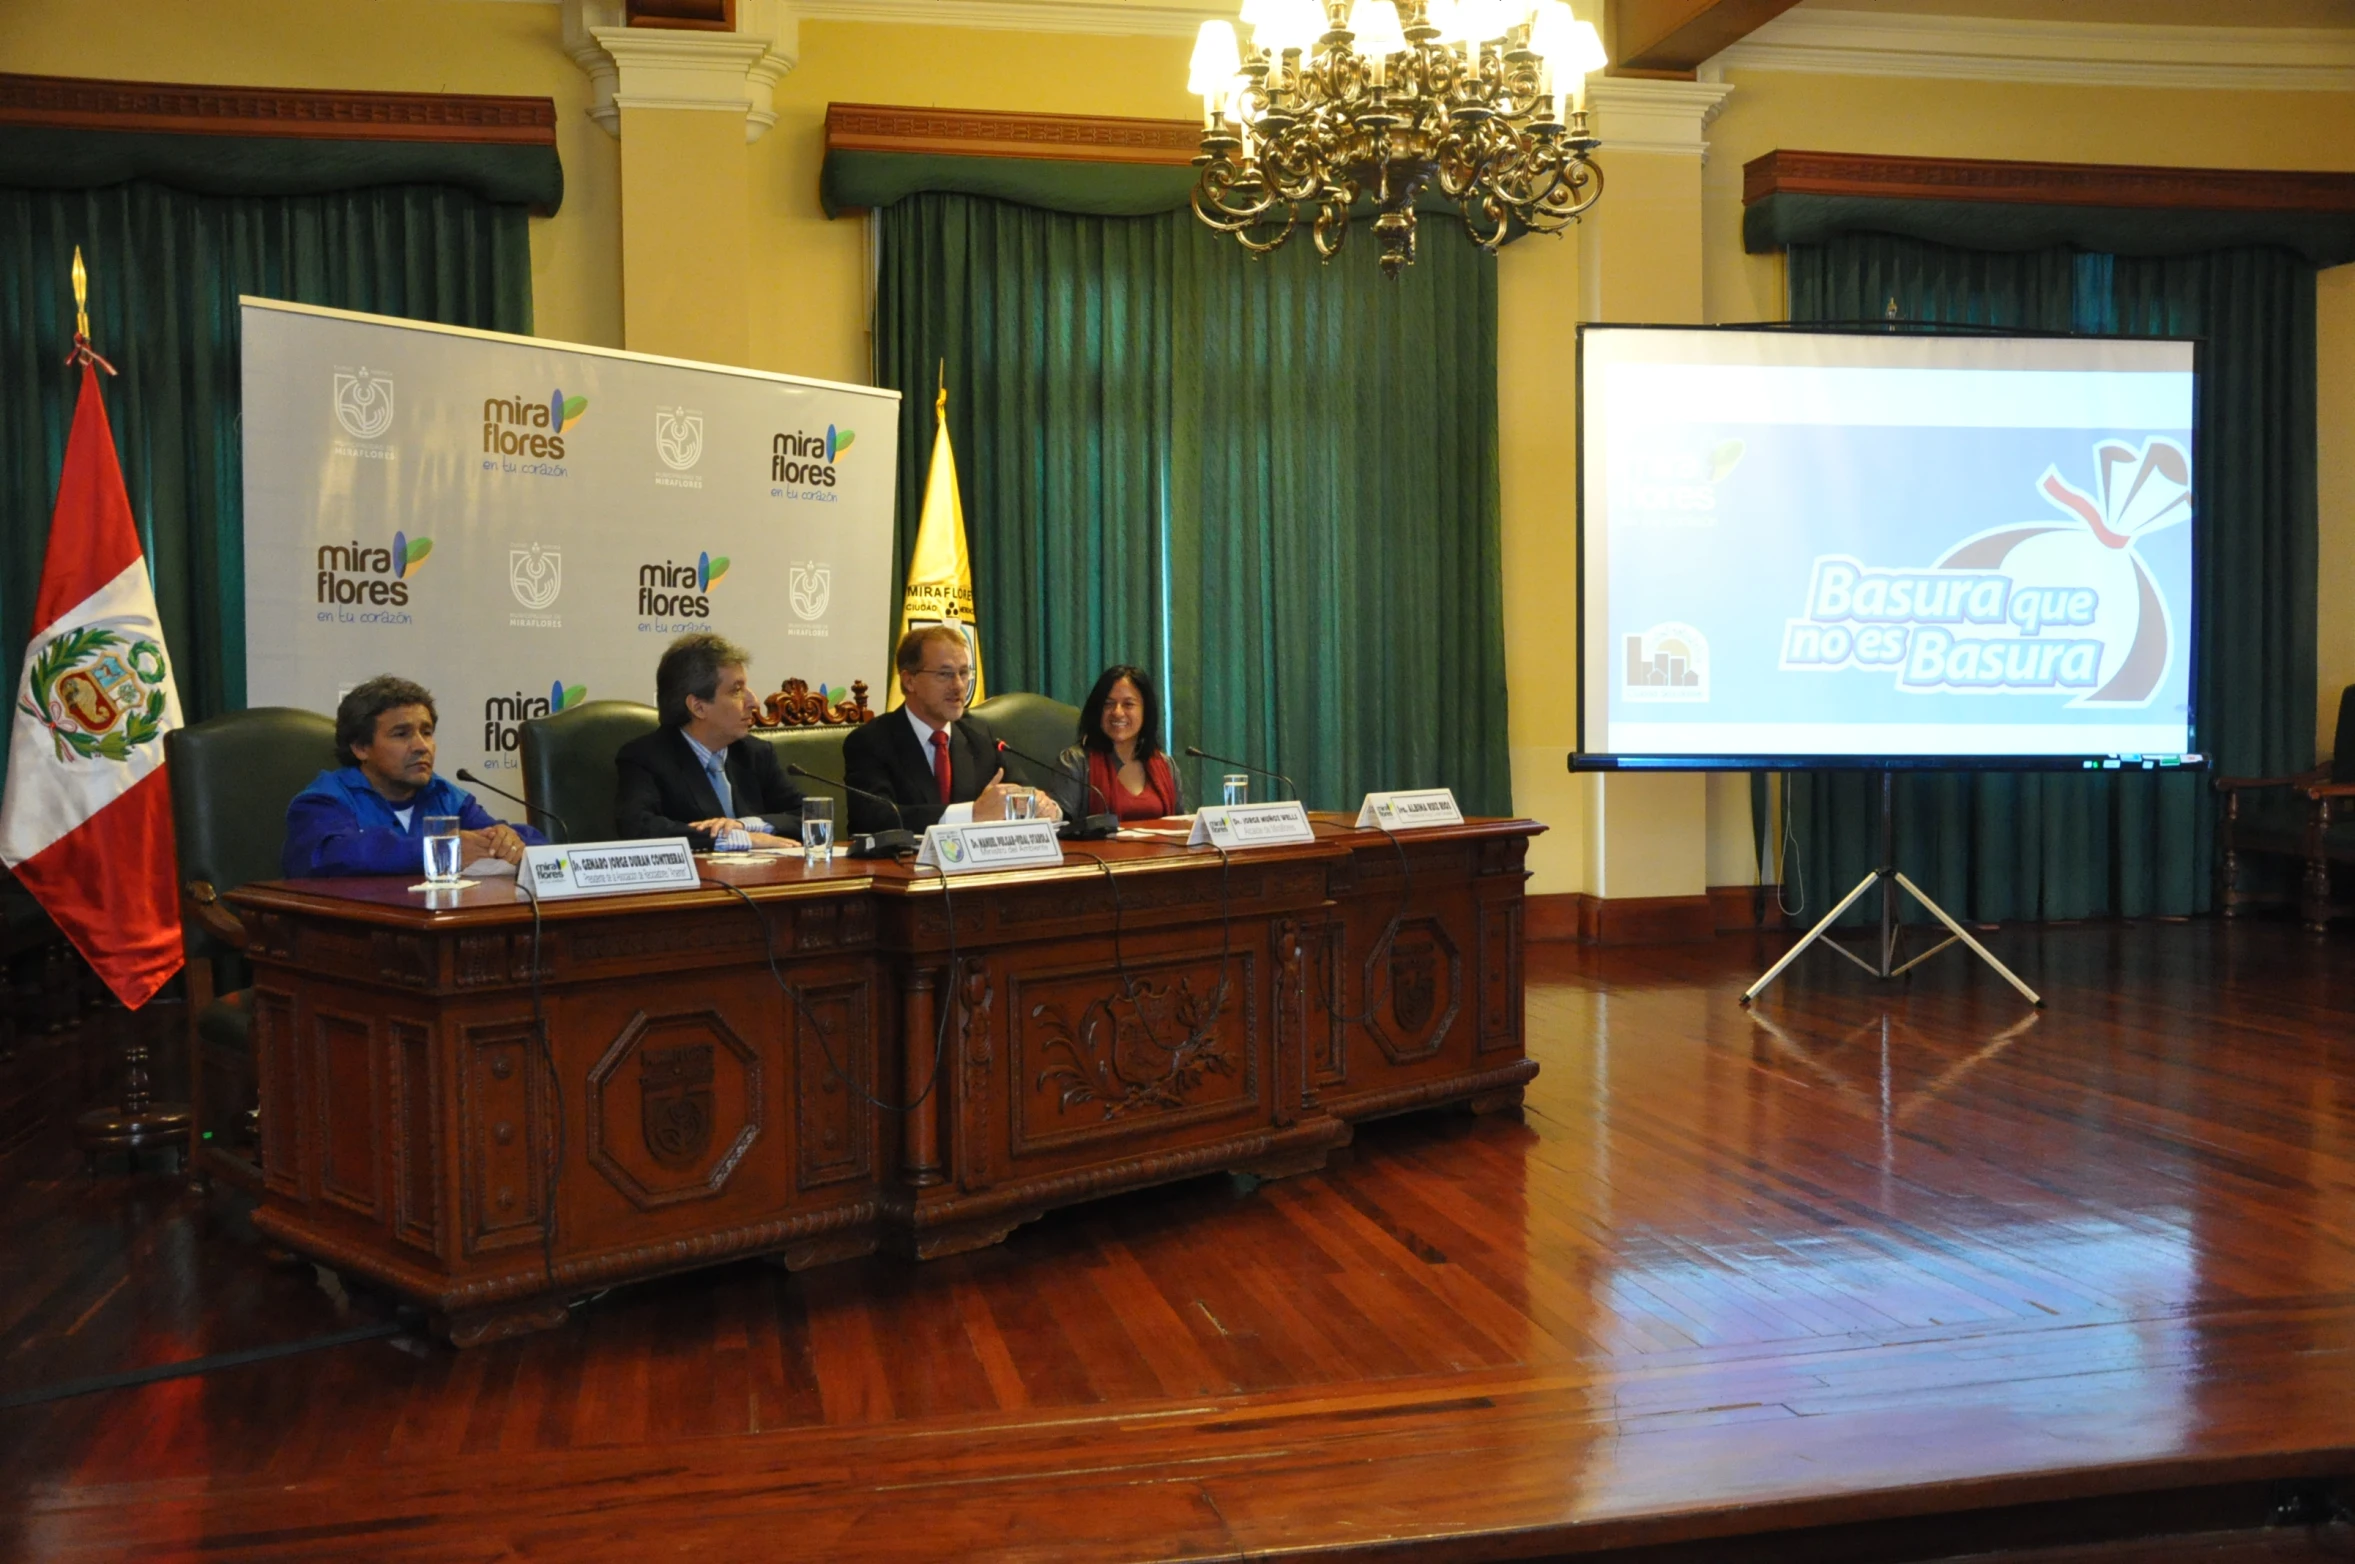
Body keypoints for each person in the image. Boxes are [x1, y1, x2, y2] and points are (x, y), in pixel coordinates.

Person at [283, 676, 545, 878]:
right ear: (361, 747)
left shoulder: (444, 796)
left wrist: (508, 839)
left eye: (427, 732)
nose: (422, 746)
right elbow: (330, 856)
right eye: (401, 734)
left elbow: (533, 842)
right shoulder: (324, 800)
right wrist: (441, 851)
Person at [840, 624, 1061, 835]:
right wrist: (971, 814)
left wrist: (1045, 807)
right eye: (945, 674)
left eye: (964, 673)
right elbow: (874, 819)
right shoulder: (871, 742)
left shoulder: (979, 735)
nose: (958, 686)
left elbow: (1021, 792)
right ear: (909, 681)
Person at [615, 633, 806, 852]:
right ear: (698, 707)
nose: (753, 702)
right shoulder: (645, 758)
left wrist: (745, 825)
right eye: (736, 690)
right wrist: (738, 839)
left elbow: (809, 815)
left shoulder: (754, 753)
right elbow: (639, 828)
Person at [1059, 663, 1183, 821]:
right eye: (1108, 704)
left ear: (1146, 711)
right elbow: (1060, 828)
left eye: (1128, 704)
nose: (1117, 712)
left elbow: (1181, 826)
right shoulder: (1076, 762)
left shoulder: (1166, 765)